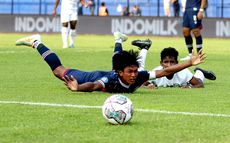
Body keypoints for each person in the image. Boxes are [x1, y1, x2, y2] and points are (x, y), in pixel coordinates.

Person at [15, 32, 205, 93]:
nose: (134, 75)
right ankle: (36, 42)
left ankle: (118, 40)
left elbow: (164, 72)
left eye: (135, 71)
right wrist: (78, 87)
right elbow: (94, 85)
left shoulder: (139, 76)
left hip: (111, 70)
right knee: (58, 70)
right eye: (130, 72)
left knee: (117, 59)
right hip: (92, 76)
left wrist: (190, 62)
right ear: (120, 73)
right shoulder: (111, 78)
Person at [138, 47, 216, 88]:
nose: (169, 65)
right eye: (166, 62)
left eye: (172, 62)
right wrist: (148, 86)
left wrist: (189, 87)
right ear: (161, 63)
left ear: (177, 63)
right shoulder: (156, 72)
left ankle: (200, 71)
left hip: (189, 79)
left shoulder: (184, 72)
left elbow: (200, 84)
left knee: (198, 77)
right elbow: (139, 84)